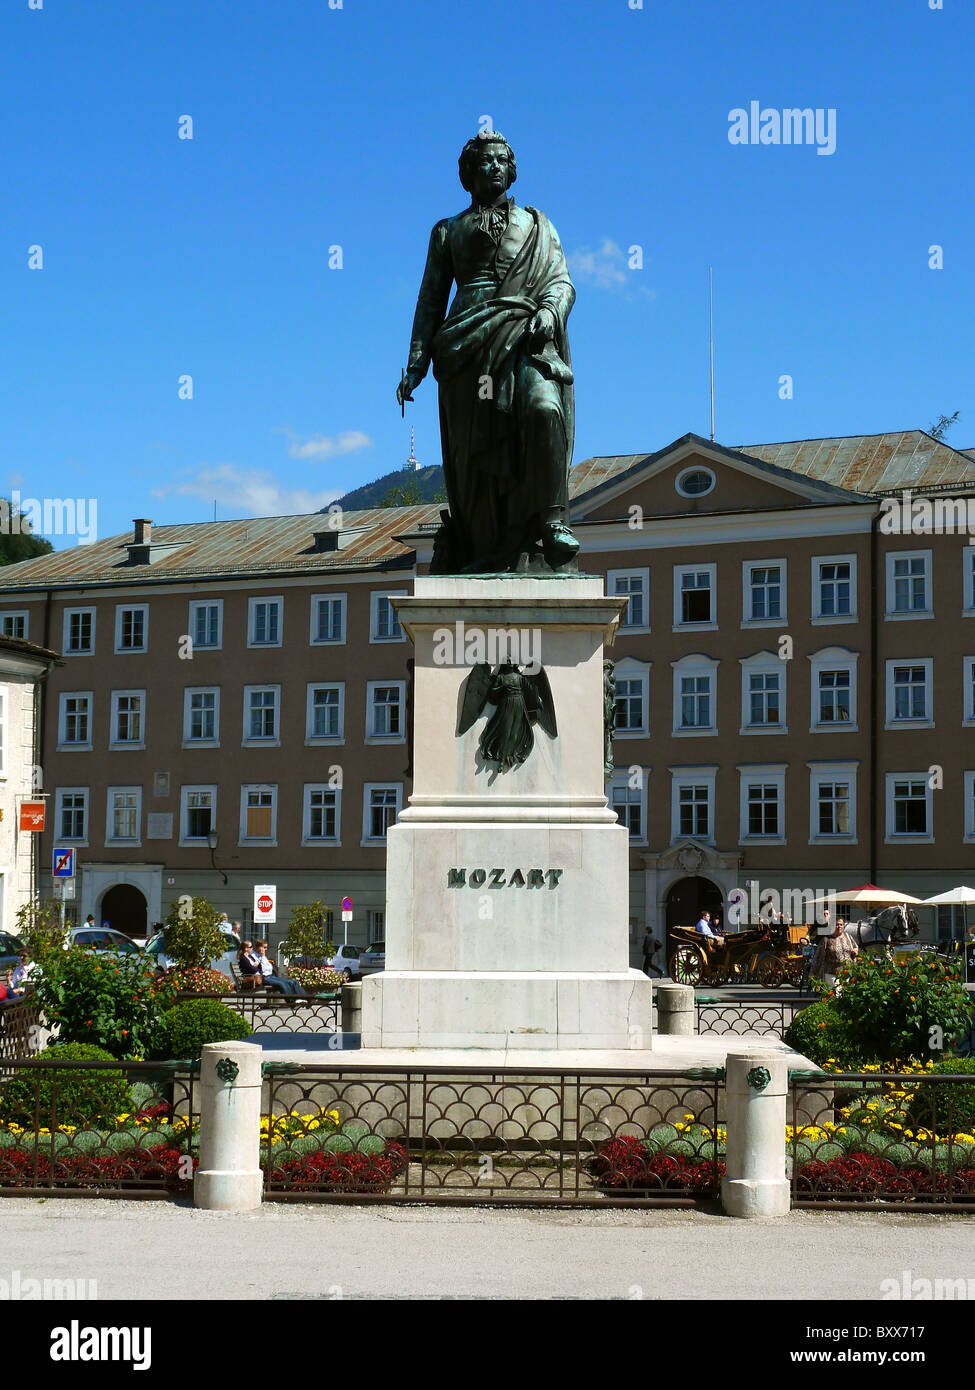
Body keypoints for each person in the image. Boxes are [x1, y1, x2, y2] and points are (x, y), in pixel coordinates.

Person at [396, 132, 579, 574]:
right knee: (474, 456)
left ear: (511, 171)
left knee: (544, 408)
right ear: (468, 174)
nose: (494, 167)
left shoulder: (537, 224)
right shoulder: (447, 230)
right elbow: (430, 299)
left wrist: (550, 311)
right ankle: (484, 541)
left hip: (525, 336)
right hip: (465, 347)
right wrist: (416, 363)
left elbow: (561, 282)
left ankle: (552, 519)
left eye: (501, 161)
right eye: (485, 162)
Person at [811, 917, 858, 993]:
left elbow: (855, 946)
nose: (839, 926)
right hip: (831, 973)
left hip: (847, 973)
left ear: (844, 926)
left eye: (841, 924)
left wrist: (855, 951)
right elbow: (818, 957)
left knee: (846, 994)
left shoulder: (848, 937)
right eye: (837, 924)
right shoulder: (826, 939)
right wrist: (814, 973)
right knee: (836, 994)